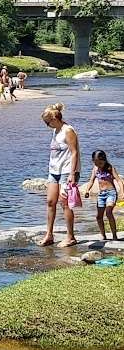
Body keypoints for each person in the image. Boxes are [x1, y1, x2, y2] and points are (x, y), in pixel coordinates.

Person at [39, 103, 80, 248]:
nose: (46, 125)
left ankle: (70, 237)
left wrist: (72, 174)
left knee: (65, 204)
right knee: (50, 201)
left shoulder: (68, 130)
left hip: (67, 171)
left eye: (47, 122)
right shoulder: (56, 131)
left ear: (55, 118)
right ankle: (49, 234)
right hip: (54, 171)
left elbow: (74, 152)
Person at [83, 150, 123, 241]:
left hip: (111, 193)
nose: (98, 165)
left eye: (100, 162)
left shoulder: (110, 168)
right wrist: (87, 190)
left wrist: (122, 192)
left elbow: (119, 180)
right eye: (96, 162)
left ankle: (114, 236)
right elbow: (91, 181)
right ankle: (103, 235)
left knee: (109, 212)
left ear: (104, 160)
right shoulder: (95, 169)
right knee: (98, 216)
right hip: (101, 195)